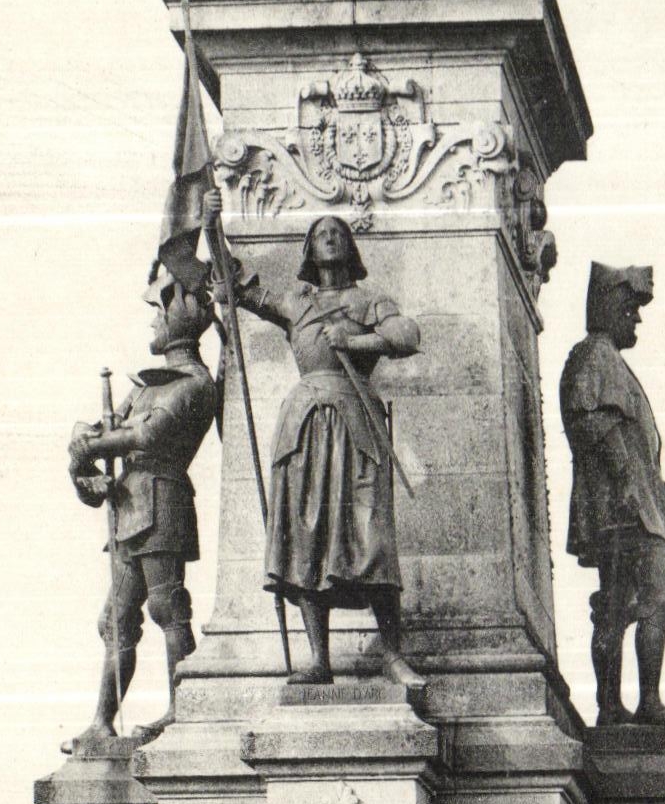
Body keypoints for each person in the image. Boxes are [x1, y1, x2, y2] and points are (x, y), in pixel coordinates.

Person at [204, 195, 422, 687]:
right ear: (309, 247)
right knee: (306, 535)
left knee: (374, 538)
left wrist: (359, 341)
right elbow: (235, 287)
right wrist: (209, 224)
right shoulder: (296, 302)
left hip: (357, 423)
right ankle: (318, 659)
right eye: (321, 231)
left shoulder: (370, 300)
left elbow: (407, 335)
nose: (330, 235)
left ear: (350, 247)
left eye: (338, 231)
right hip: (303, 426)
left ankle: (393, 653)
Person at [63, 269, 218, 752]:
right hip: (131, 502)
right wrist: (80, 449)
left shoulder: (193, 383)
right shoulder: (147, 385)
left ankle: (183, 709)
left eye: (160, 311)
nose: (154, 322)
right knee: (115, 620)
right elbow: (97, 432)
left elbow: (146, 435)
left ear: (182, 319)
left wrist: (93, 445)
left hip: (163, 497)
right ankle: (102, 723)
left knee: (167, 607)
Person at [559, 263, 665, 729]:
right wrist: (633, 491)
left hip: (626, 506)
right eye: (630, 309)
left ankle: (613, 708)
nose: (636, 319)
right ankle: (646, 702)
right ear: (609, 308)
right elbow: (597, 425)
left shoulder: (604, 358)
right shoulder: (596, 356)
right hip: (626, 509)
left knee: (616, 607)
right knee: (662, 597)